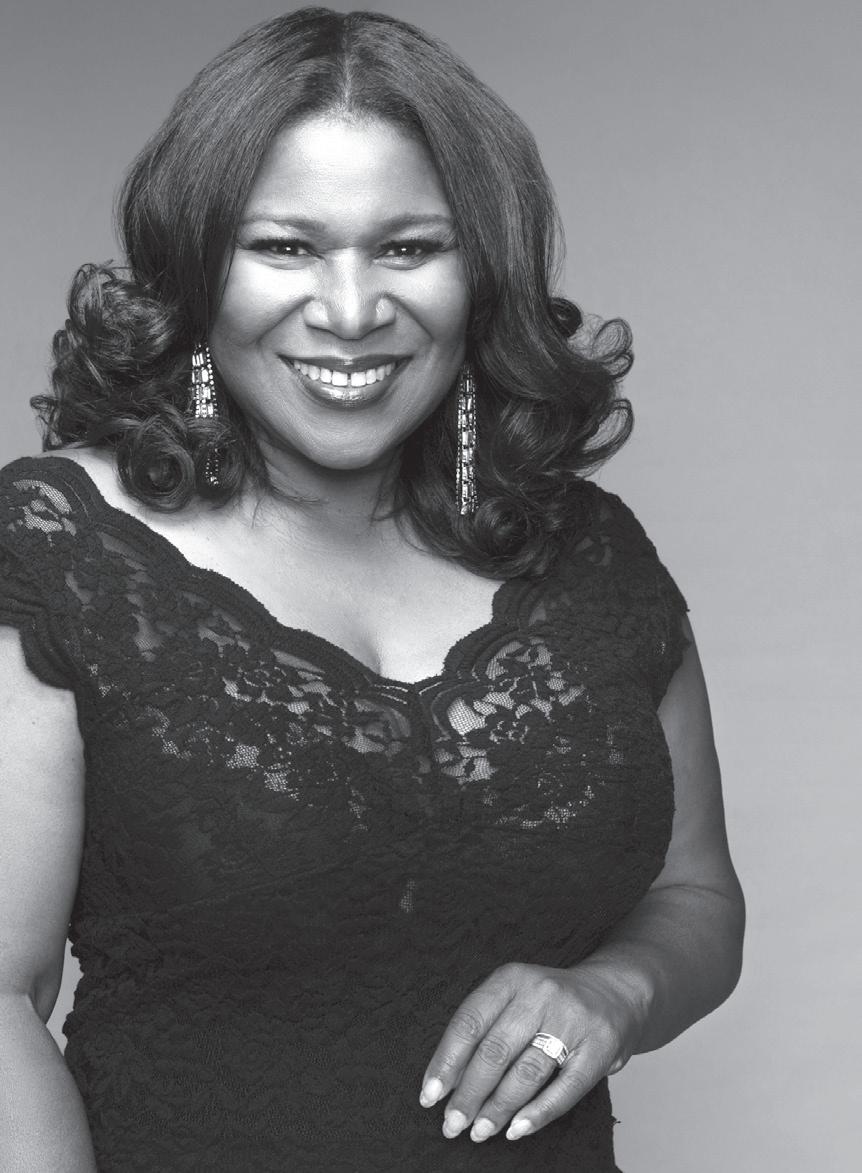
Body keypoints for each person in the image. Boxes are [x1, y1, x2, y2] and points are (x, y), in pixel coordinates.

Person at [0, 8, 745, 1172]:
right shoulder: (58, 547)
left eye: (407, 249)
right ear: (198, 272)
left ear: (480, 275)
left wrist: (617, 989)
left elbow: (698, 896)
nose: (350, 313)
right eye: (284, 247)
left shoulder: (588, 553)